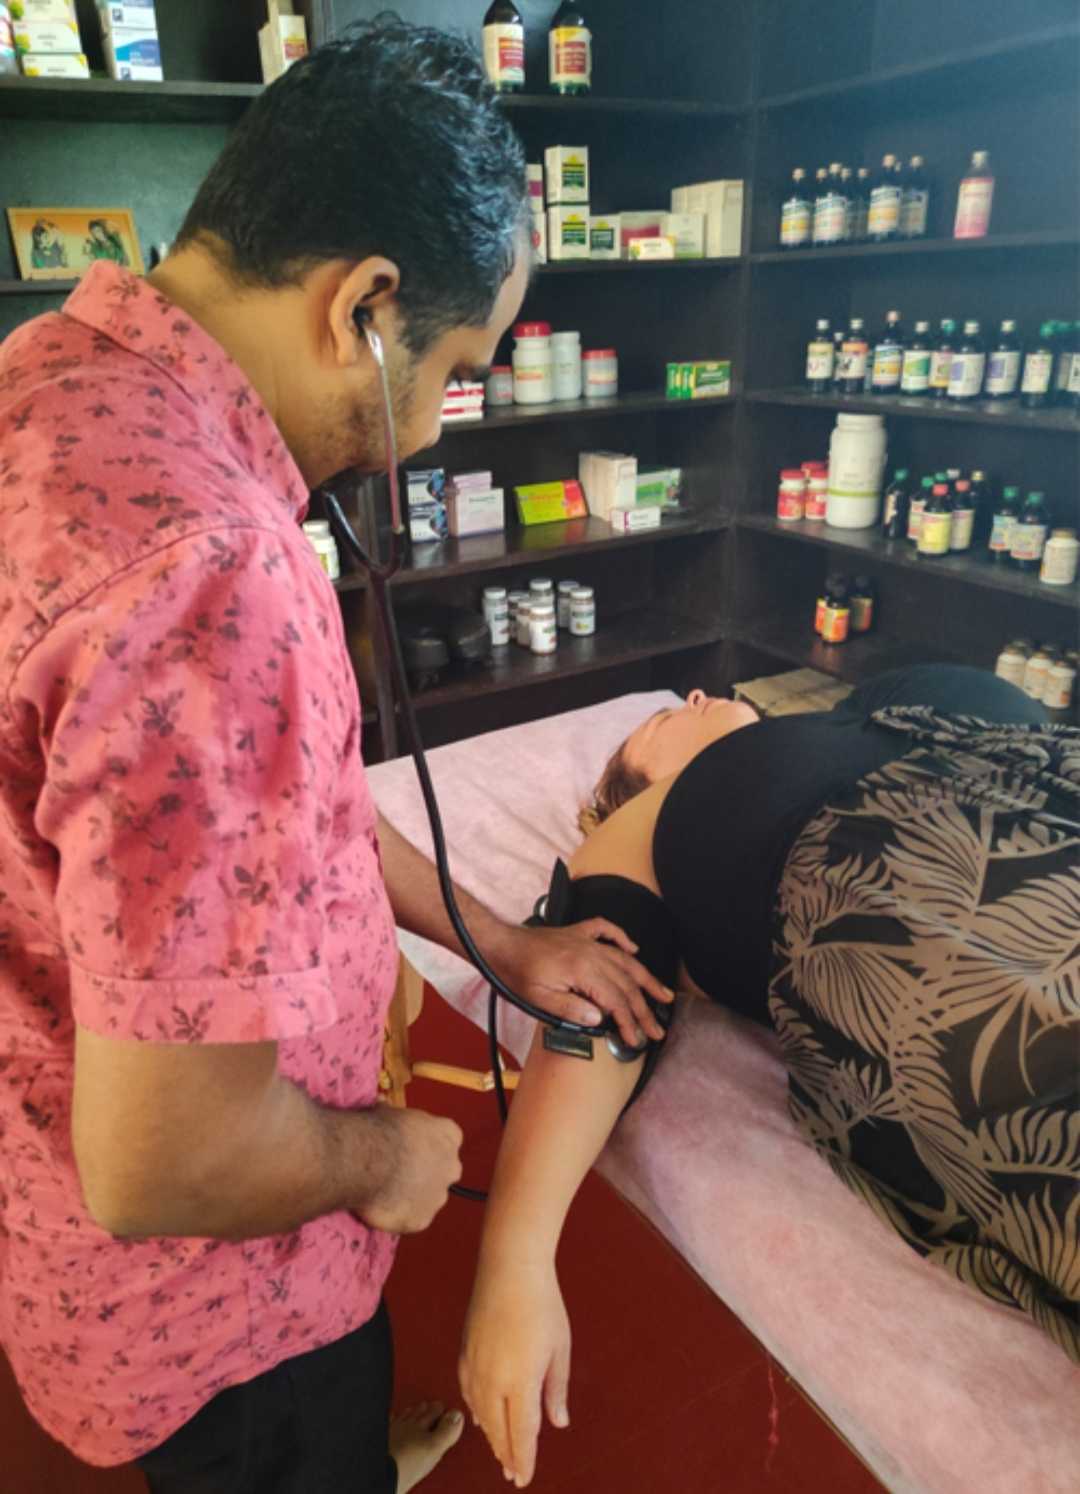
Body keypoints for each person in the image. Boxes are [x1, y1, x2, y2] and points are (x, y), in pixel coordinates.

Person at [0, 18, 671, 1494]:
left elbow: (260, 819)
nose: (420, 437)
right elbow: (169, 1159)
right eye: (449, 370)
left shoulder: (48, 380)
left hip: (64, 1246)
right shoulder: (209, 574)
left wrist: (496, 939)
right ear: (362, 303)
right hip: (224, 1327)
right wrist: (389, 1158)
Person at [460, 665, 1080, 1488]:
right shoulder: (652, 819)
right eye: (658, 723)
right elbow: (601, 1005)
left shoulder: (875, 704)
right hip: (960, 924)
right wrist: (515, 1259)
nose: (690, 697)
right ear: (634, 785)